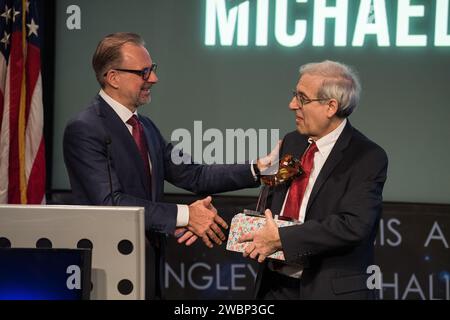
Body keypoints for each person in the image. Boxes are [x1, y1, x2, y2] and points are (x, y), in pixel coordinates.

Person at [63, 32, 268, 299]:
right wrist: (186, 215)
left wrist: (256, 169)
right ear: (113, 78)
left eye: (153, 69)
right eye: (144, 72)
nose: (153, 79)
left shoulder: (145, 127)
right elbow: (110, 204)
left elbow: (195, 175)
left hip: (148, 265)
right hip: (108, 271)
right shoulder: (85, 128)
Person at [239, 60, 388, 299]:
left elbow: (353, 225)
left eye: (302, 99)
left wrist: (282, 239)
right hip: (274, 286)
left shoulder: (367, 157)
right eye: (294, 95)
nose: (292, 105)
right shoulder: (292, 142)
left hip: (326, 290)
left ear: (330, 106)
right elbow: (272, 205)